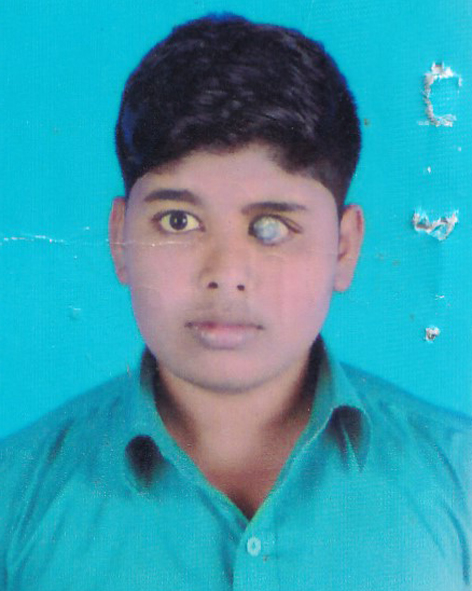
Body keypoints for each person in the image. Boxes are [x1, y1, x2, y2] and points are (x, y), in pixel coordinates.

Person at [0, 14, 470, 591]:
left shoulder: (458, 481)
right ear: (120, 240)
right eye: (178, 221)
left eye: (270, 227)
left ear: (344, 249)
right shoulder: (15, 498)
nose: (225, 274)